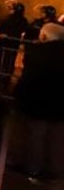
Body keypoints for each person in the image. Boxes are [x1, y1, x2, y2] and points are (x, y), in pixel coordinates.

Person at [14, 22, 64, 180]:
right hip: (60, 104)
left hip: (39, 101)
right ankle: (54, 168)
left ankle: (33, 168)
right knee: (56, 138)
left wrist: (19, 95)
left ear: (43, 36)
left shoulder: (38, 52)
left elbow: (29, 78)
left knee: (35, 136)